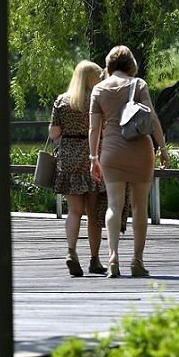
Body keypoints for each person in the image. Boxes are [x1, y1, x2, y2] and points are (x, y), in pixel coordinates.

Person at [88, 46, 169, 278]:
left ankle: (113, 256)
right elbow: (152, 117)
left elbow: (94, 128)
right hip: (140, 150)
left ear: (109, 64)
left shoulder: (98, 89)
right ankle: (137, 261)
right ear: (130, 63)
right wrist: (162, 148)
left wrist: (93, 157)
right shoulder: (139, 84)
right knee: (139, 206)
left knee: (114, 204)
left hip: (111, 150)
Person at [51, 60, 107, 276]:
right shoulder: (97, 100)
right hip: (93, 158)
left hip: (69, 158)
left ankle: (71, 252)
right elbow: (102, 132)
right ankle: (95, 259)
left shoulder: (62, 101)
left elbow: (54, 133)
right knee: (93, 213)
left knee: (74, 211)